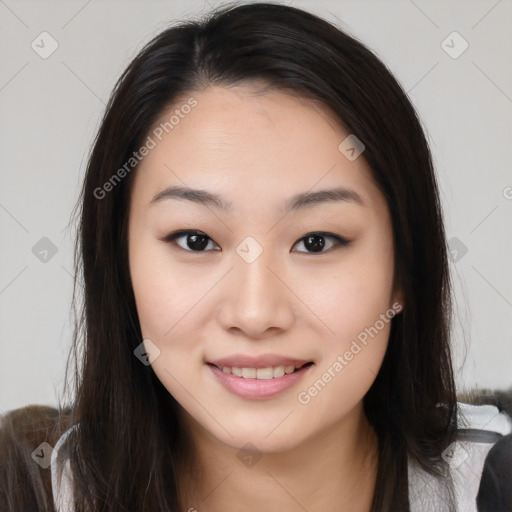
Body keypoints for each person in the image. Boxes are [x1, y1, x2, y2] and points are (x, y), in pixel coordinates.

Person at [1, 2, 510, 511]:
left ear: (404, 266)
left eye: (316, 241)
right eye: (196, 241)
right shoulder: (24, 488)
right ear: (119, 264)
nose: (255, 313)